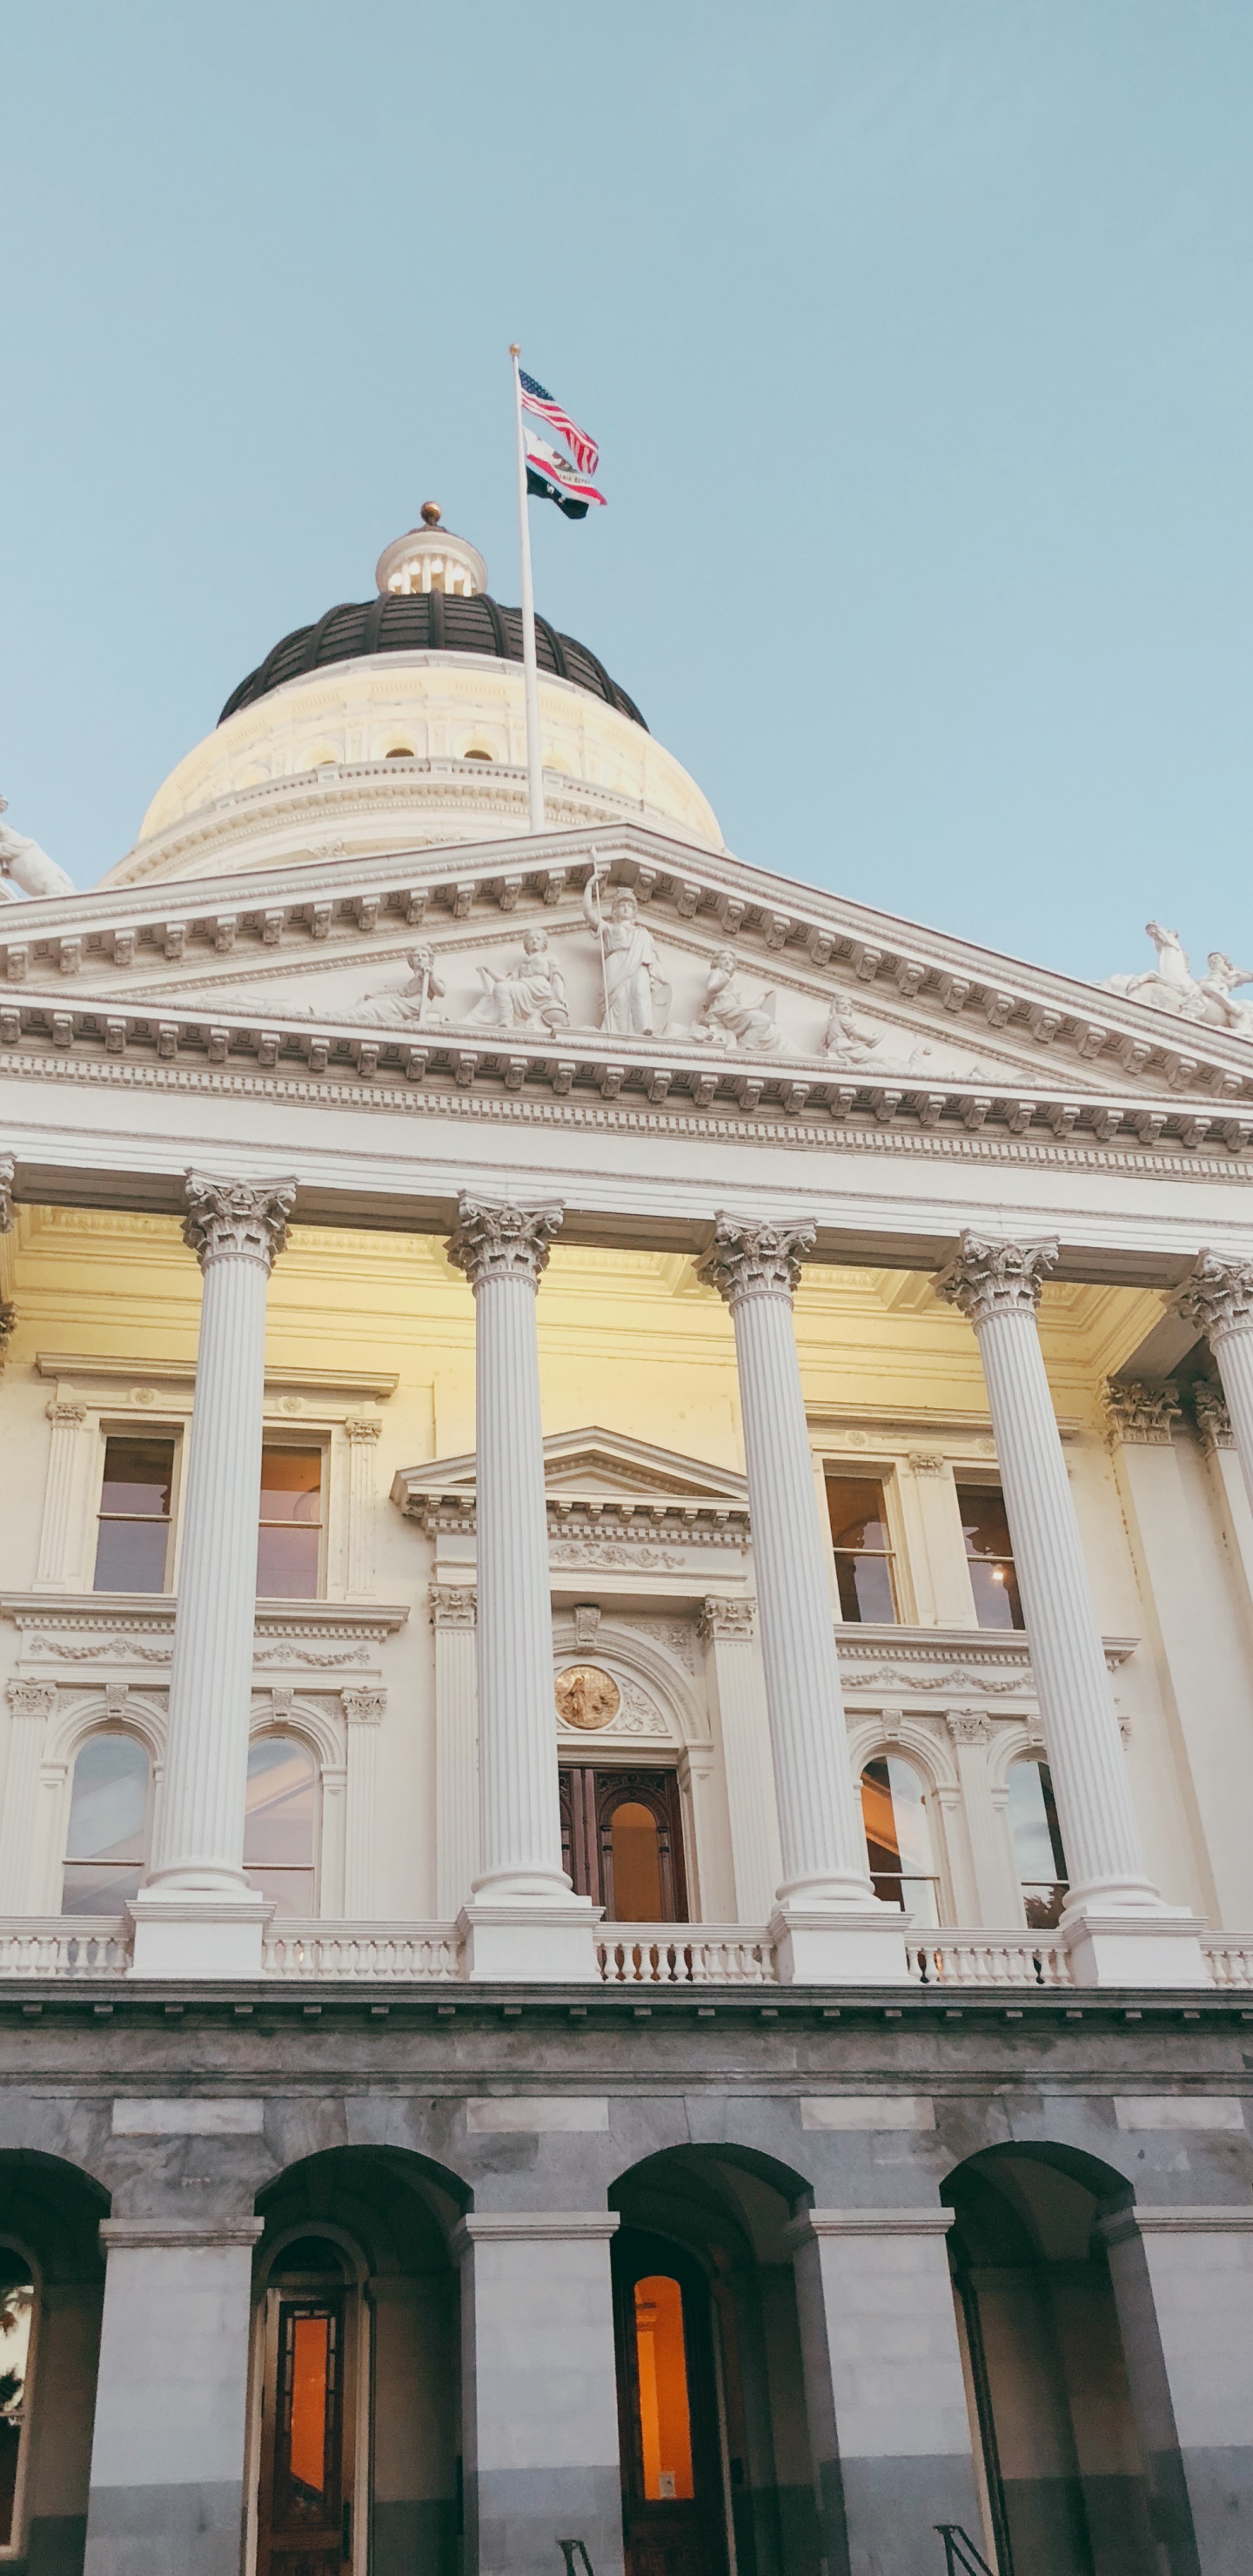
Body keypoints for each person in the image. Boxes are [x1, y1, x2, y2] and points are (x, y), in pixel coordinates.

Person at [583, 877, 670, 1035]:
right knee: (619, 1000)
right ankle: (615, 1034)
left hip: (639, 966)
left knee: (640, 992)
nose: (625, 908)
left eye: (629, 906)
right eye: (622, 905)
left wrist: (661, 979)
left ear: (634, 912)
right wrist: (589, 886)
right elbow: (588, 912)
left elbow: (654, 958)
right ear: (615, 910)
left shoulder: (643, 933)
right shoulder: (608, 929)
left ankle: (643, 1029)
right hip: (616, 963)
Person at [473, 928, 570, 1031]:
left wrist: (560, 998)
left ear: (544, 944)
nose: (534, 941)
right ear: (526, 944)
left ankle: (505, 1025)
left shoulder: (550, 958)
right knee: (499, 990)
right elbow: (505, 982)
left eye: (538, 938)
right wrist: (489, 971)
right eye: (531, 939)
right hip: (524, 988)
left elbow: (557, 978)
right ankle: (504, 1024)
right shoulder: (520, 966)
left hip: (540, 988)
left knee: (501, 988)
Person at [690, 949, 782, 1051]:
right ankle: (743, 1048)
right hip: (721, 1010)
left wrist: (763, 996)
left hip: (732, 1012)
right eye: (723, 959)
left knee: (763, 1019)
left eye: (730, 960)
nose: (727, 961)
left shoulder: (734, 988)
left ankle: (745, 1047)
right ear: (717, 963)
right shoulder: (717, 973)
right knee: (762, 1019)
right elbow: (710, 989)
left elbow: (745, 1008)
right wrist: (725, 981)